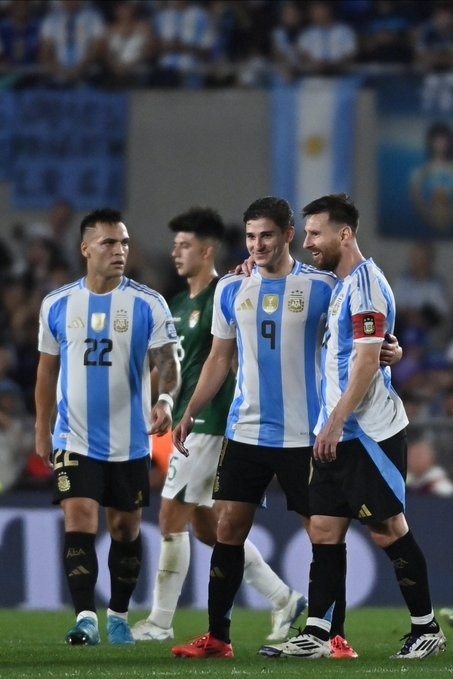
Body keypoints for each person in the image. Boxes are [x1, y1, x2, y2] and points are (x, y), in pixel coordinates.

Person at [170, 197, 359, 660]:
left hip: (305, 434)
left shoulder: (322, 286)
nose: (257, 245)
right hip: (247, 431)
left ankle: (334, 636)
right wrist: (191, 409)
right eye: (251, 237)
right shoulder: (232, 290)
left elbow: (356, 339)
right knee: (229, 526)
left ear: (288, 235)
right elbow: (219, 358)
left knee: (323, 532)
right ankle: (218, 637)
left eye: (267, 236)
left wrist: (388, 350)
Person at [260, 193, 446, 661]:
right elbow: (369, 350)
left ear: (345, 234)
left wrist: (337, 421)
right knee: (323, 528)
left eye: (316, 233)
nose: (308, 243)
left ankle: (426, 628)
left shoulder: (366, 284)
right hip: (336, 431)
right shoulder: (342, 285)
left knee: (388, 529)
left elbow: (365, 362)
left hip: (366, 434)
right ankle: (320, 632)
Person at [132, 206, 306, 644]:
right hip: (190, 420)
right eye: (174, 245)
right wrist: (148, 401)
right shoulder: (178, 303)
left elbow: (224, 358)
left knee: (171, 510)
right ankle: (283, 597)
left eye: (185, 245)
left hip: (215, 420)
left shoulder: (226, 290)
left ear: (207, 250)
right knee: (211, 527)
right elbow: (174, 366)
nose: (176, 253)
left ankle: (160, 620)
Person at [34, 208, 180, 646]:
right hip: (74, 437)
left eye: (124, 243)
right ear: (85, 249)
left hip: (129, 441)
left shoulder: (147, 302)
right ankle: (85, 619)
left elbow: (168, 363)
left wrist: (166, 399)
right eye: (109, 243)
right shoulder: (57, 303)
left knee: (124, 529)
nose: (119, 251)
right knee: (79, 517)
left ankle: (117, 614)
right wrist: (44, 427)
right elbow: (46, 371)